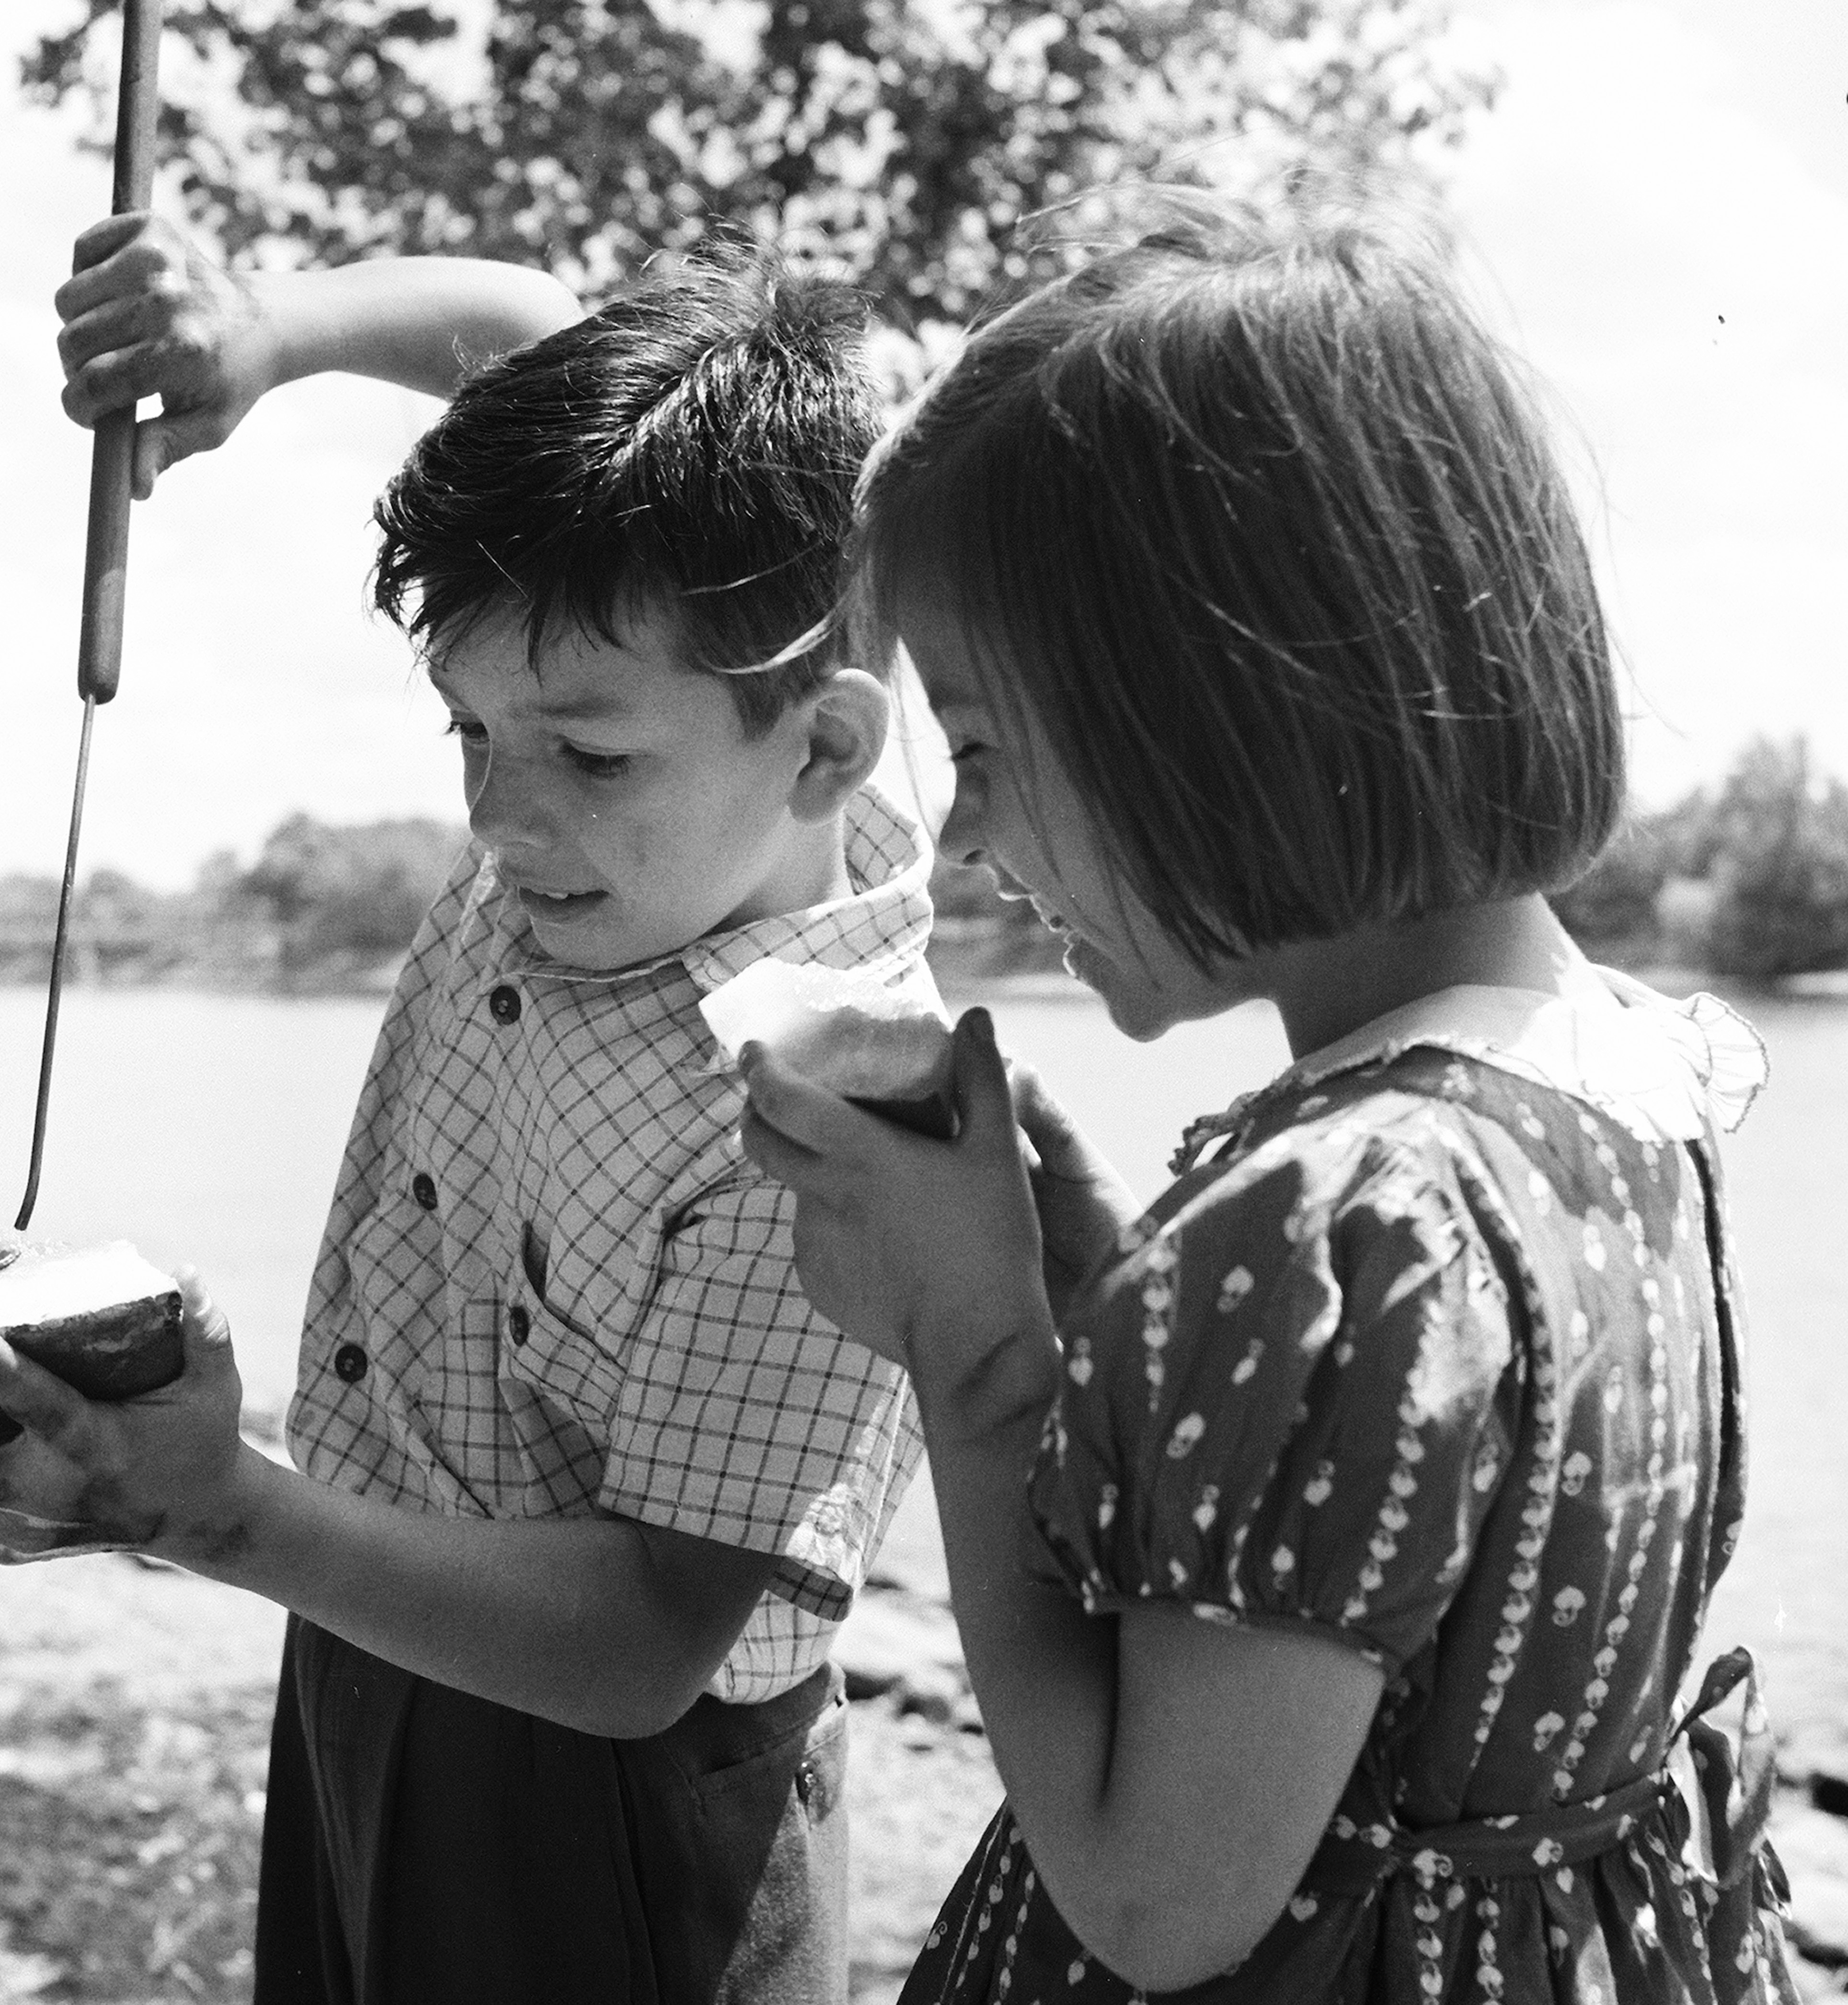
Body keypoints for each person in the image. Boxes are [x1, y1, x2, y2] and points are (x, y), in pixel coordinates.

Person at [0, 216, 933, 2004]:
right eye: (468, 736)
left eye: (587, 754)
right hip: (364, 1653)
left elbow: (643, 1643)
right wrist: (264, 334)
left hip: (619, 1821)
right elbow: (524, 332)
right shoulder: (605, 824)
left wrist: (214, 1510)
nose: (504, 825)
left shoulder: (836, 1109)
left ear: (821, 747)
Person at [738, 192, 1795, 2004]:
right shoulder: (1630, 1088)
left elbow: (1157, 1897)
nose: (969, 842)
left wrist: (975, 1343)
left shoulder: (1341, 1219)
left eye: (981, 746)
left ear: (1207, 702)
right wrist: (1098, 1283)